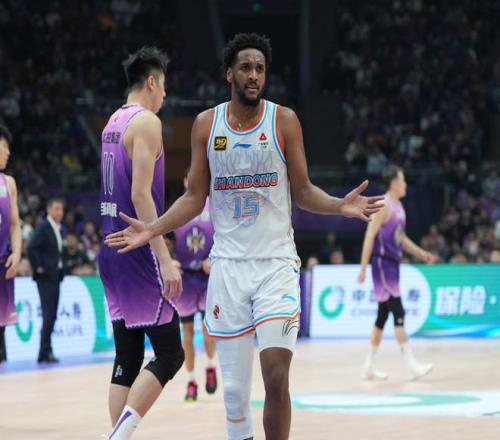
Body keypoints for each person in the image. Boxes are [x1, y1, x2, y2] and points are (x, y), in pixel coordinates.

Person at [106, 33, 383, 440]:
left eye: (260, 69)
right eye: (246, 68)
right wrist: (155, 227)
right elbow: (194, 197)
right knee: (235, 396)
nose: (254, 75)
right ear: (229, 73)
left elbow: (304, 191)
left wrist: (339, 205)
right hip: (229, 270)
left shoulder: (284, 121)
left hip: (276, 267)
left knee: (276, 376)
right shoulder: (206, 125)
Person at [98, 46, 184, 440]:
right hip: (137, 251)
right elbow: (140, 194)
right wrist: (164, 258)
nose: (165, 94)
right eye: (163, 86)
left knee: (128, 356)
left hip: (110, 249)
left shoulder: (112, 122)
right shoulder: (146, 121)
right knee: (171, 353)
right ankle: (118, 437)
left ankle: (118, 436)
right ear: (151, 82)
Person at [358, 165, 435, 381]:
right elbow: (369, 235)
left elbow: (401, 238)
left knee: (382, 315)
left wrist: (421, 254)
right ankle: (411, 365)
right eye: (402, 180)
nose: (405, 184)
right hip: (382, 265)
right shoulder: (383, 205)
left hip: (393, 265)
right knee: (398, 311)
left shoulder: (399, 207)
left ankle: (368, 366)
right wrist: (363, 267)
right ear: (393, 183)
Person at [173, 168, 217, 401]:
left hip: (207, 277)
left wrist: (215, 258)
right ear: (184, 180)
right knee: (187, 334)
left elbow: (226, 237)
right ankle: (191, 381)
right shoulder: (178, 207)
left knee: (209, 330)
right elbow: (165, 239)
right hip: (186, 278)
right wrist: (168, 260)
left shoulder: (214, 206)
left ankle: (210, 366)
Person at [28, 198, 65, 363]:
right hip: (45, 277)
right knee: (49, 314)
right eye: (56, 209)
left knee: (52, 315)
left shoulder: (57, 228)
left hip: (55, 276)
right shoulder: (44, 227)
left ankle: (46, 350)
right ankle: (44, 352)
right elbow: (31, 247)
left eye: (61, 209)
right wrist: (38, 266)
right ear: (49, 210)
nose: (60, 212)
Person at [0, 124, 21, 363]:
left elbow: (15, 225)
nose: (8, 152)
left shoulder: (9, 183)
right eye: (4, 146)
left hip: (3, 264)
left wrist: (17, 253)